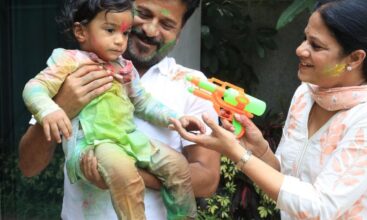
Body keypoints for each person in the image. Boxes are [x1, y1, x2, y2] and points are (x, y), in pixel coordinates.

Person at [170, 0, 367, 219]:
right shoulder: (305, 95)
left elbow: (321, 208)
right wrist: (259, 149)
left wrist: (236, 154)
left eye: (316, 46)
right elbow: (286, 182)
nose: (300, 50)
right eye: (305, 38)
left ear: (355, 58)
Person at [19, 0, 220, 219]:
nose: (150, 30)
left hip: (130, 141)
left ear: (179, 33)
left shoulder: (191, 85)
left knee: (174, 165)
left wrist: (175, 119)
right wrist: (61, 106)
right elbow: (29, 166)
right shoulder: (71, 68)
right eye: (143, 14)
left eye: (167, 24)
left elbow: (208, 179)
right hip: (98, 143)